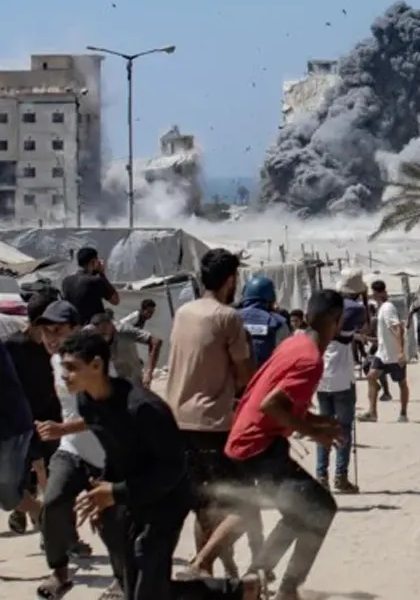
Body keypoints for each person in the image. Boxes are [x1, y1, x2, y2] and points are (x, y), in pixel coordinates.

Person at [64, 331, 258, 600]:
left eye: (72, 367)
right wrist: (104, 498)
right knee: (140, 589)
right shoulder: (87, 401)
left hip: (168, 497)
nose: (65, 375)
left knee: (147, 587)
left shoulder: (143, 408)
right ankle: (242, 590)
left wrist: (115, 492)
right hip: (133, 494)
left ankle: (238, 591)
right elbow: (113, 450)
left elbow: (173, 469)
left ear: (96, 365)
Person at [224, 289, 346, 600]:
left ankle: (256, 579)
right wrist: (314, 432)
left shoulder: (295, 343)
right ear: (337, 321)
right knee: (322, 508)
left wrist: (318, 421)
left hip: (250, 439)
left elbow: (284, 404)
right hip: (259, 445)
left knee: (300, 512)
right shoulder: (311, 359)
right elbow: (271, 405)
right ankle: (284, 588)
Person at [162, 248, 257, 577]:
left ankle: (208, 573)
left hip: (177, 420)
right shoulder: (228, 317)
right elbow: (245, 377)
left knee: (204, 505)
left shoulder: (183, 312)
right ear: (230, 280)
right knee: (245, 505)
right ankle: (202, 565)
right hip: (212, 423)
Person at [34, 301, 126, 600]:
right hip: (72, 449)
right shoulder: (54, 361)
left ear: (75, 329)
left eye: (57, 330)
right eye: (46, 331)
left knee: (112, 522)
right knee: (53, 503)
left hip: (106, 455)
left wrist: (62, 428)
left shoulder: (95, 362)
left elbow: (108, 415)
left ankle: (123, 580)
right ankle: (60, 573)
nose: (50, 338)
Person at [4, 293, 60, 534]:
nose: (53, 334)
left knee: (51, 471)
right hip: (23, 421)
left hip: (51, 417)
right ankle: (29, 510)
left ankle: (56, 528)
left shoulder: (54, 347)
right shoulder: (12, 346)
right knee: (24, 473)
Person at [315, 272, 368, 492]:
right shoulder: (356, 309)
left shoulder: (325, 307)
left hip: (321, 376)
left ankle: (321, 475)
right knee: (344, 428)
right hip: (343, 378)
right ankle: (341, 476)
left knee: (323, 426)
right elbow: (365, 326)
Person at [0, 329, 43, 536]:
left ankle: (51, 519)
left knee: (9, 497)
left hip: (9, 430)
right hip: (11, 426)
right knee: (9, 497)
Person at [360, 280, 407, 422]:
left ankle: (403, 413)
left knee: (401, 383)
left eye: (374, 294)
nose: (373, 296)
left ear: (379, 293)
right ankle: (372, 412)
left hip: (393, 354)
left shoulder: (387, 308)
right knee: (371, 376)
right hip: (382, 353)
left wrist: (400, 351)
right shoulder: (382, 307)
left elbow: (398, 328)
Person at [87, 311, 163, 387]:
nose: (102, 337)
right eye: (99, 335)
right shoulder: (92, 336)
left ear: (111, 325)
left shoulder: (124, 331)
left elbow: (156, 342)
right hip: (112, 380)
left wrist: (148, 372)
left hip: (133, 378)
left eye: (104, 333)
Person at [236, 275, 291, 370]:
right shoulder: (278, 323)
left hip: (236, 377)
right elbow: (287, 357)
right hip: (268, 376)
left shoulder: (231, 318)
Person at [60, 246, 120, 325]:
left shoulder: (66, 281)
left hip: (75, 326)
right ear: (93, 262)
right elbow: (115, 300)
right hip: (95, 327)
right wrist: (102, 273)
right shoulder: (95, 281)